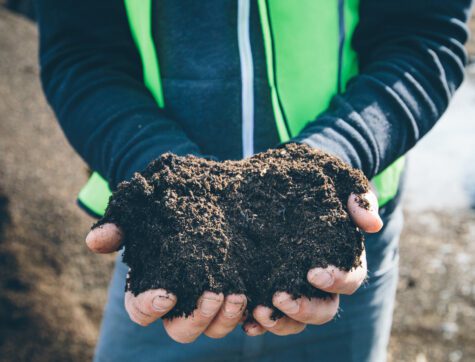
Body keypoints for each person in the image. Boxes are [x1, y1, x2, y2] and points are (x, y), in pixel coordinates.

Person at [35, 1, 471, 361]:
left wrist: (335, 155)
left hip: (335, 221)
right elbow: (79, 51)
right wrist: (151, 163)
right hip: (169, 228)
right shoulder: (166, 201)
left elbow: (421, 36)